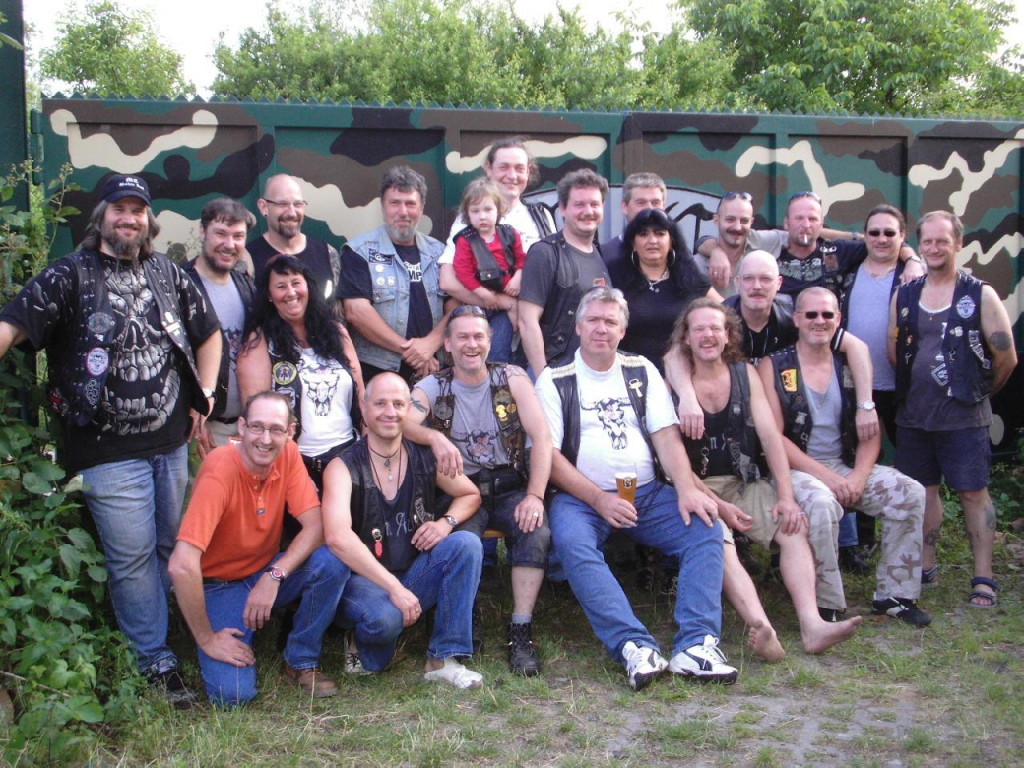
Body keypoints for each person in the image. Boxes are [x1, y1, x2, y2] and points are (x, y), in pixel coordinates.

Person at [0, 174, 221, 706]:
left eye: (137, 210)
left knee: (169, 547)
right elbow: (12, 325)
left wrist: (207, 393)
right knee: (133, 558)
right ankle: (154, 662)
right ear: (100, 217)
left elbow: (209, 332)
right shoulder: (68, 275)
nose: (129, 218)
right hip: (104, 448)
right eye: (119, 209)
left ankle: (164, 639)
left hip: (170, 442)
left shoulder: (168, 272)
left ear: (148, 220)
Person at [536, 286, 737, 690]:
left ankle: (696, 645)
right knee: (574, 543)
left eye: (611, 322)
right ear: (578, 327)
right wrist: (598, 498)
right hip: (582, 498)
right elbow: (550, 457)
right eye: (593, 320)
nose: (601, 329)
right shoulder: (554, 380)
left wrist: (687, 488)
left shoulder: (641, 369)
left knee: (705, 528)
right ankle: (632, 645)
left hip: (646, 492)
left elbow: (666, 435)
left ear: (622, 331)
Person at [665, 249, 881, 575]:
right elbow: (675, 354)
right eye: (749, 279)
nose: (757, 286)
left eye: (765, 279)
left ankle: (840, 545)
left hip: (785, 419)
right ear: (738, 282)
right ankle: (739, 545)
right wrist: (687, 397)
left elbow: (856, 346)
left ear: (778, 284)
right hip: (735, 418)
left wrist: (865, 404)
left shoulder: (796, 318)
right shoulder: (720, 318)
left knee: (796, 457)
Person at [672, 299, 861, 656]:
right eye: (699, 329)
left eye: (715, 328)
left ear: (728, 334)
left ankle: (812, 625)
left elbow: (771, 437)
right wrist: (720, 507)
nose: (708, 335)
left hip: (743, 481)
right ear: (686, 337)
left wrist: (786, 497)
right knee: (718, 541)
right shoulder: (672, 383)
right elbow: (672, 462)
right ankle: (763, 628)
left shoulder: (745, 374)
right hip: (698, 488)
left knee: (792, 527)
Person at [760, 287, 931, 626]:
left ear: (838, 319)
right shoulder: (774, 366)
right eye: (811, 314)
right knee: (822, 503)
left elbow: (870, 432)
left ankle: (895, 596)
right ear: (797, 319)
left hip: (847, 465)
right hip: (796, 470)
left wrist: (857, 477)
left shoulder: (850, 365)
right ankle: (826, 605)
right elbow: (774, 439)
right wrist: (831, 479)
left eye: (827, 314)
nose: (819, 321)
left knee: (909, 492)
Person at [167, 391, 346, 705]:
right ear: (241, 426)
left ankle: (300, 660)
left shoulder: (288, 453)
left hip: (265, 570)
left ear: (290, 432)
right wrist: (207, 639)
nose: (265, 439)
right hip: (220, 585)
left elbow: (317, 525)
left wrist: (274, 575)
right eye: (257, 427)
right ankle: (203, 622)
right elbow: (181, 565)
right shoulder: (220, 469)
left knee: (332, 561)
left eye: (276, 429)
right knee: (233, 695)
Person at [407, 305, 552, 676]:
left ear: (489, 341)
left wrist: (535, 495)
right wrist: (433, 437)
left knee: (535, 530)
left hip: (509, 485)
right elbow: (401, 423)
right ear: (448, 345)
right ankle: (462, 617)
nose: (471, 344)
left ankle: (520, 629)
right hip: (462, 492)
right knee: (461, 544)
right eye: (463, 337)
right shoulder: (434, 385)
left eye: (478, 336)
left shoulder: (511, 377)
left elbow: (542, 437)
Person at [322, 373, 485, 689]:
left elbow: (470, 494)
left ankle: (443, 658)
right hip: (362, 580)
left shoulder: (423, 457)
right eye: (380, 403)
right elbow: (338, 538)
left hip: (412, 574)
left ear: (409, 410)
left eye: (398, 404)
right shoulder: (342, 467)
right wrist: (394, 590)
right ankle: (363, 635)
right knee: (383, 628)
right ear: (364, 407)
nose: (390, 412)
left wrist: (445, 523)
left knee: (466, 543)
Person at [888, 211, 1017, 606]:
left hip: (964, 418)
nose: (933, 248)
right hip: (914, 416)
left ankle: (984, 577)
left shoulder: (979, 294)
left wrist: (976, 393)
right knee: (923, 493)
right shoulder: (906, 293)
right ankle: (925, 566)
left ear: (958, 243)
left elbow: (1006, 357)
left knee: (973, 493)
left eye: (942, 241)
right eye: (927, 241)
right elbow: (894, 350)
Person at [237, 255, 363, 492]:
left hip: (350, 458)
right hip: (296, 464)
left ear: (308, 287)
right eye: (281, 286)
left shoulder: (336, 332)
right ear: (269, 295)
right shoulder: (259, 342)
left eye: (296, 283)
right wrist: (292, 472)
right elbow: (257, 419)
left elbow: (361, 395)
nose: (291, 292)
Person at [340, 166, 448, 384]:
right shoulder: (359, 252)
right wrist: (413, 351)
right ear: (383, 206)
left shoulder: (440, 253)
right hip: (378, 375)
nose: (403, 211)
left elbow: (457, 306)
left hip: (435, 374)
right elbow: (356, 312)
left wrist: (431, 344)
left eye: (410, 204)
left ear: (422, 208)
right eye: (395, 203)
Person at [439, 136, 555, 305]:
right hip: (489, 314)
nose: (512, 175)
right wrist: (505, 304)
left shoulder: (541, 215)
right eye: (503, 167)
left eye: (519, 168)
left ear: (528, 171)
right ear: (488, 168)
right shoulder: (469, 219)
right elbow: (448, 282)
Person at [519, 169, 611, 377]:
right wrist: (544, 379)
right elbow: (527, 321)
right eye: (579, 204)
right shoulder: (545, 252)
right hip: (553, 374)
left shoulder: (600, 253)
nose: (588, 211)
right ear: (562, 208)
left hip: (591, 376)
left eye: (594, 204)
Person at [183, 198, 258, 452]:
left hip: (247, 428)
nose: (229, 244)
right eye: (221, 234)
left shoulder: (246, 286)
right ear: (202, 232)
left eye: (238, 236)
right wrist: (196, 412)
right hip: (203, 431)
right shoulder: (180, 286)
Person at [607, 207, 720, 372]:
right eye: (643, 234)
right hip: (627, 373)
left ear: (671, 240)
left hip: (679, 374)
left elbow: (725, 310)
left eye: (659, 234)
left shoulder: (688, 276)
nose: (652, 240)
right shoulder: (614, 275)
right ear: (633, 243)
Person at [841, 205, 909, 444]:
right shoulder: (846, 268)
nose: (881, 239)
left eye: (889, 233)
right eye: (874, 232)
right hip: (853, 386)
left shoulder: (913, 277)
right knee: (855, 454)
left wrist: (912, 259)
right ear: (865, 235)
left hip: (900, 389)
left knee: (910, 456)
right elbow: (817, 233)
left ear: (902, 235)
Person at [776, 192, 922, 300]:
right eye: (799, 218)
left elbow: (888, 242)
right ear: (786, 223)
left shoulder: (836, 251)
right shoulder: (770, 252)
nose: (806, 224)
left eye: (812, 219)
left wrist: (912, 261)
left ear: (821, 223)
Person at [448, 178, 527, 363]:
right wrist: (483, 294)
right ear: (467, 214)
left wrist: (518, 277)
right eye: (475, 211)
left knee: (499, 350)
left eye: (488, 209)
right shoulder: (465, 240)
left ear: (498, 210)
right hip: (476, 303)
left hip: (505, 304)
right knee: (474, 348)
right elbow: (462, 271)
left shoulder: (510, 233)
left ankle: (499, 378)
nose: (482, 216)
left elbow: (522, 259)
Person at [248, 174, 343, 311]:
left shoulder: (327, 254)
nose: (292, 213)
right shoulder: (248, 258)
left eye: (298, 204)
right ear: (263, 207)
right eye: (282, 204)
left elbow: (338, 314)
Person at [600, 172, 680, 260]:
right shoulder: (604, 256)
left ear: (663, 207)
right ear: (624, 207)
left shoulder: (679, 254)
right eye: (641, 203)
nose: (649, 209)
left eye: (655, 203)